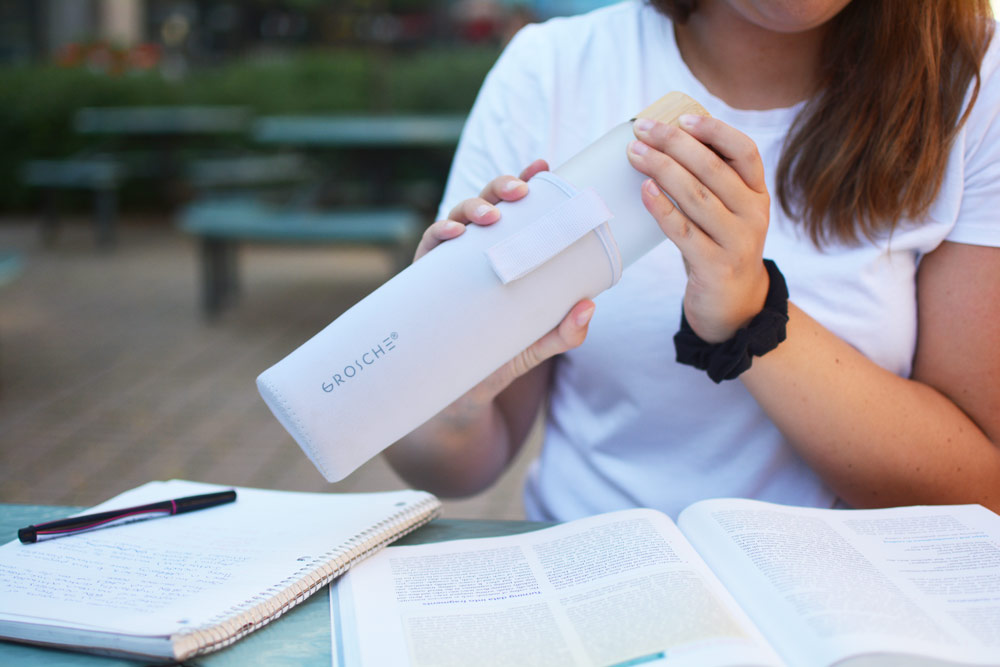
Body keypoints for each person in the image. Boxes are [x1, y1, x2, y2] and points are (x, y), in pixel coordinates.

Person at [385, 0, 1000, 521]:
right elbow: (455, 469)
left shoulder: (975, 82)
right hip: (592, 589)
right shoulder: (553, 70)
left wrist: (752, 314)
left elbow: (979, 492)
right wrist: (452, 377)